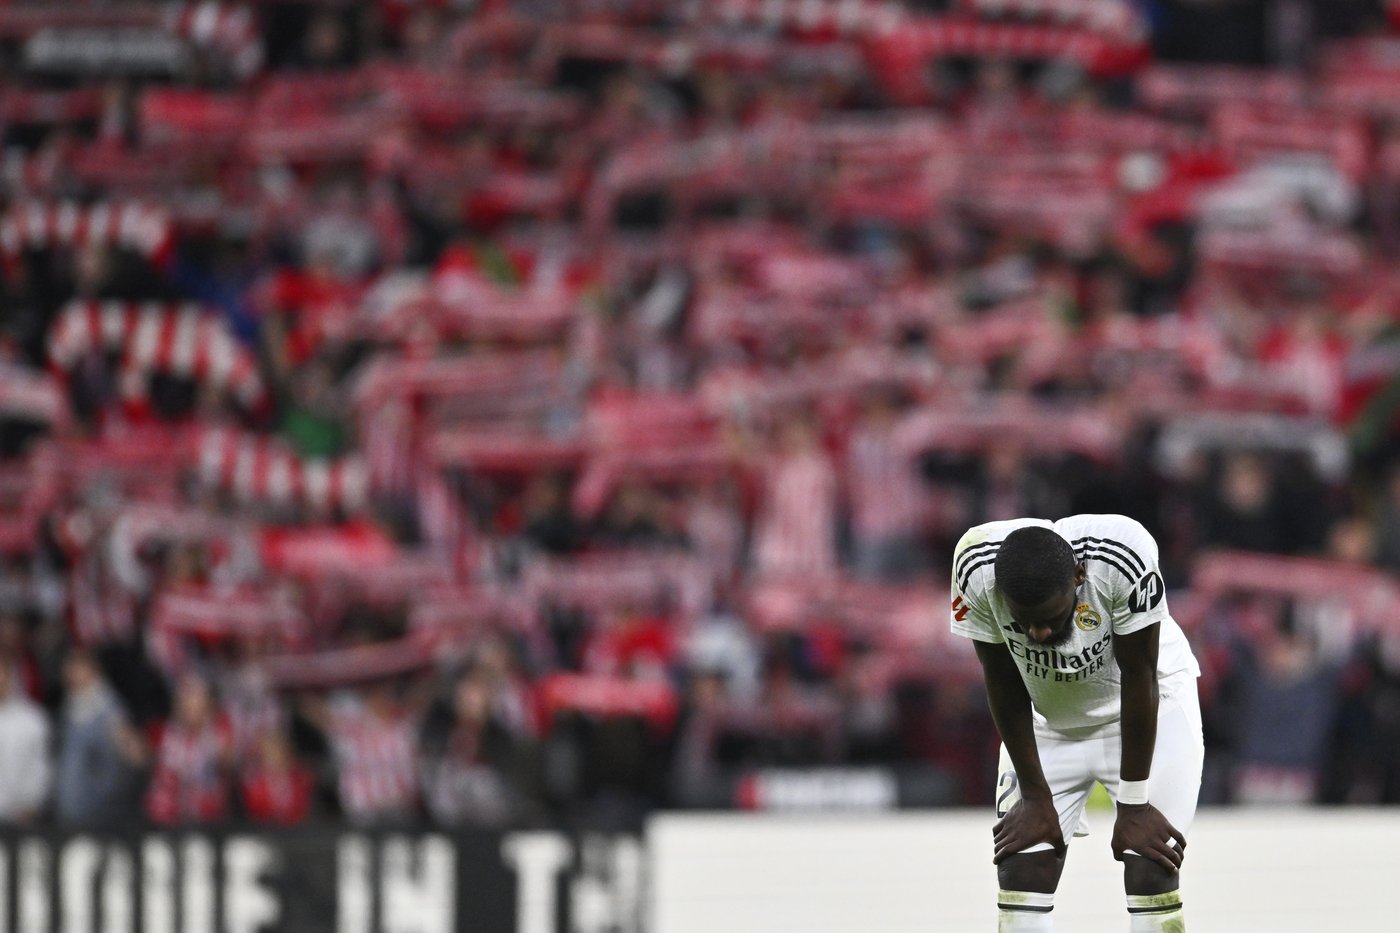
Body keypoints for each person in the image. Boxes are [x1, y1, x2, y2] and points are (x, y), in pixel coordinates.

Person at [950, 516, 1202, 931]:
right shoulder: (975, 568)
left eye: (1050, 615)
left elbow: (1140, 675)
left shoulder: (1122, 555)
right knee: (1020, 867)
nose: (1038, 631)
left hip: (1149, 709)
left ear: (1078, 577)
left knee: (1151, 867)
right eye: (1024, 620)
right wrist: (1035, 796)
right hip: (1047, 718)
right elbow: (1001, 678)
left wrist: (1134, 804)